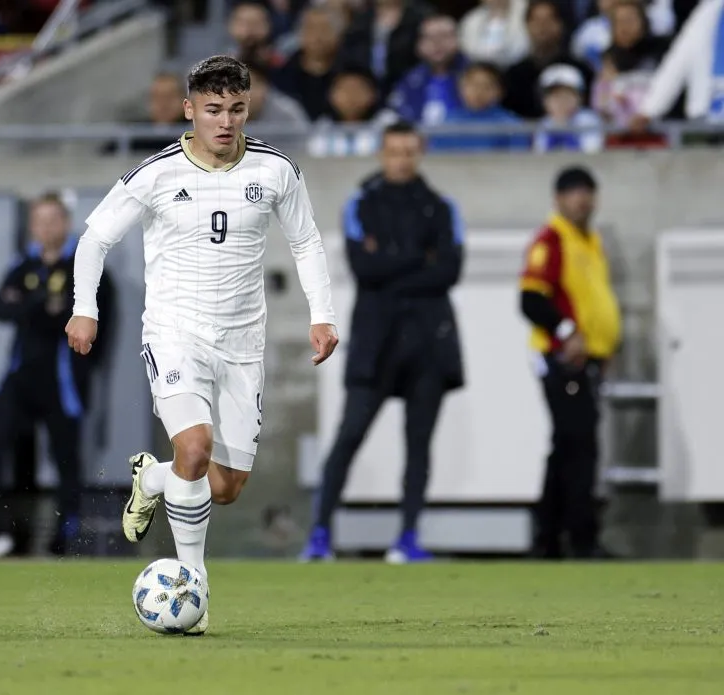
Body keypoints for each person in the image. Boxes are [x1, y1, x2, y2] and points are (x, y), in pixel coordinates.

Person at [65, 55, 339, 635]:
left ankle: (155, 479)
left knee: (226, 486)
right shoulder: (157, 174)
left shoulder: (276, 171)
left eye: (236, 109)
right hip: (174, 334)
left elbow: (307, 242)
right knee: (194, 445)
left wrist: (323, 315)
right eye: (213, 110)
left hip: (243, 344)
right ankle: (194, 588)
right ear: (189, 110)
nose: (225, 121)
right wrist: (83, 309)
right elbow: (94, 238)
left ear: (248, 108)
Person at [302, 120, 465, 563]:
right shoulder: (362, 203)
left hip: (429, 343)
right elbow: (363, 269)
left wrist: (389, 259)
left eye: (409, 151)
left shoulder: (442, 207)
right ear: (381, 152)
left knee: (418, 444)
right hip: (376, 340)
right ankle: (319, 535)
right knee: (349, 436)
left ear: (420, 152)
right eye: (394, 151)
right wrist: (419, 257)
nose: (401, 160)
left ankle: (408, 537)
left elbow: (449, 271)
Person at [0, 192, 114, 559]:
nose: (46, 228)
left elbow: (91, 321)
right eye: (39, 221)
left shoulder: (84, 264)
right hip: (22, 377)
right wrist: (41, 307)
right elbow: (1, 307)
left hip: (64, 379)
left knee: (65, 458)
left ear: (65, 223)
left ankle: (64, 538)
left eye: (53, 220)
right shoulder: (24, 264)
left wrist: (34, 308)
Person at [519, 165, 621, 559]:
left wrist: (602, 346)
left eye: (587, 191)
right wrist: (567, 332)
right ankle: (580, 538)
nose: (582, 199)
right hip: (562, 359)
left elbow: (593, 303)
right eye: (574, 192)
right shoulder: (551, 240)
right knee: (581, 446)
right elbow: (531, 299)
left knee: (568, 445)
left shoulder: (589, 241)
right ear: (558, 199)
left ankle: (548, 540)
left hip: (587, 359)